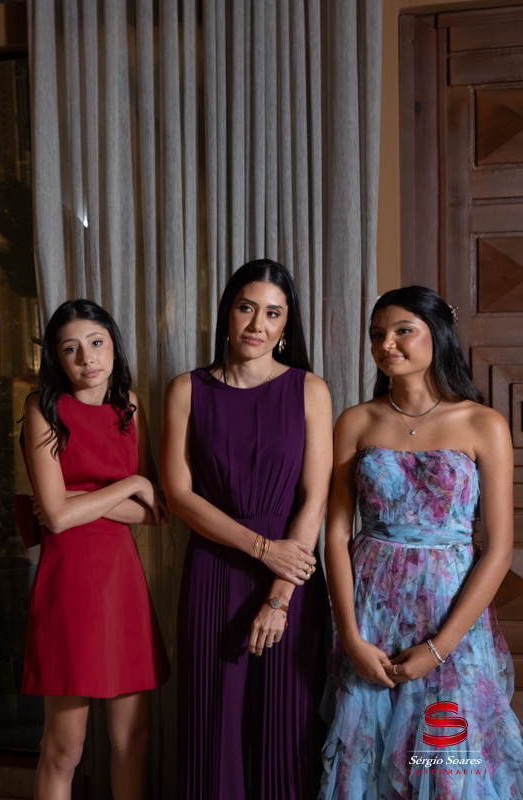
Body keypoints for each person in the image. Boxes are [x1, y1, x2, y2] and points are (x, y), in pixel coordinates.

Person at [318, 286, 523, 798]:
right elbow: (337, 535)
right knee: (367, 759)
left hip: (450, 616)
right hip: (371, 612)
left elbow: (499, 547)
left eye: (403, 331)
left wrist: (440, 647)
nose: (387, 344)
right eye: (377, 334)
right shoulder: (356, 421)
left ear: (438, 335)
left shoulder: (483, 423)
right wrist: (351, 637)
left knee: (448, 763)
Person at [162, 259, 332, 799]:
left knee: (286, 725)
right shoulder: (186, 389)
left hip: (292, 577)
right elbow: (179, 495)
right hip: (214, 570)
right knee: (212, 726)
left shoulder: (310, 389)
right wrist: (262, 548)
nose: (258, 324)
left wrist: (279, 595)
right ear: (228, 313)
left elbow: (315, 498)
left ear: (286, 326)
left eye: (273, 313)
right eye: (247, 308)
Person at [22, 298, 169, 800]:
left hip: (122, 578)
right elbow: (57, 518)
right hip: (70, 579)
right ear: (57, 359)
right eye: (71, 349)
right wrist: (130, 483)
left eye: (96, 342)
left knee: (133, 738)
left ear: (113, 346)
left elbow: (155, 512)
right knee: (66, 746)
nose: (87, 358)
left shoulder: (129, 406)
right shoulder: (42, 409)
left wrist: (77, 498)